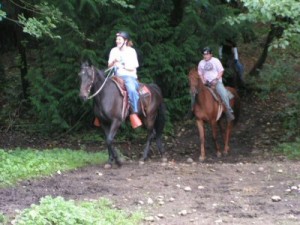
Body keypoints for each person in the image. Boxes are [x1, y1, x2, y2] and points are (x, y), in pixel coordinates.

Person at [108, 31, 142, 128]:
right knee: (102, 86)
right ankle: (100, 114)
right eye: (117, 39)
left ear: (125, 41)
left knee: (131, 89)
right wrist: (113, 62)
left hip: (129, 76)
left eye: (119, 39)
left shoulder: (131, 51)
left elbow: (134, 66)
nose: (117, 41)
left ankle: (134, 112)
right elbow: (109, 65)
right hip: (115, 76)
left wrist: (122, 65)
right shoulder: (113, 50)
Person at [198, 47, 235, 121]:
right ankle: (193, 110)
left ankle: (228, 111)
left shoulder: (216, 61)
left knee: (224, 94)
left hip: (216, 82)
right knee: (195, 93)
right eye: (204, 54)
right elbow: (200, 73)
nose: (205, 56)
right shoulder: (201, 63)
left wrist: (216, 79)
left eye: (207, 54)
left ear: (211, 54)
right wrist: (203, 81)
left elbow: (221, 71)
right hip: (206, 83)